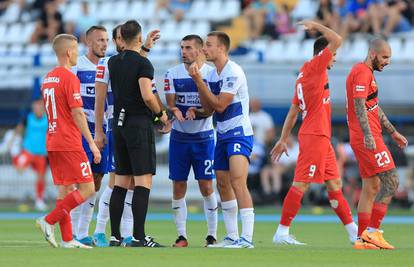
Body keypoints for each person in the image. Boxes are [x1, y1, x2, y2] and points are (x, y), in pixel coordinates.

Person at [270, 21, 358, 245]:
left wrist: (282, 139)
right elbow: (337, 39)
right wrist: (317, 25)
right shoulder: (315, 67)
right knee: (301, 183)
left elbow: (293, 111)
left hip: (321, 137)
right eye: (334, 54)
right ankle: (281, 232)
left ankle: (353, 233)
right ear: (323, 53)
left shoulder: (304, 74)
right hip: (314, 136)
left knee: (334, 184)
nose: (335, 58)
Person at [93, 24, 162, 247]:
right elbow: (147, 95)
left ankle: (115, 236)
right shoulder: (143, 63)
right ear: (139, 37)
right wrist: (161, 114)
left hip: (118, 125)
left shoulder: (112, 62)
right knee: (143, 182)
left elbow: (128, 63)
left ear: (121, 37)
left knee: (121, 182)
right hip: (138, 124)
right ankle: (138, 237)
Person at [189, 31, 255, 248]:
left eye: (208, 45)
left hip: (239, 133)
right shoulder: (211, 75)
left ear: (221, 48)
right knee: (223, 184)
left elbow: (220, 105)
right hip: (223, 134)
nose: (204, 49)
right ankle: (232, 236)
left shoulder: (233, 71)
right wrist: (195, 106)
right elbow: (208, 109)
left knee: (237, 181)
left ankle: (247, 238)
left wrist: (199, 81)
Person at [36, 33, 101, 249]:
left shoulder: (47, 78)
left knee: (65, 190)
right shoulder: (70, 77)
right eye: (75, 49)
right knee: (88, 188)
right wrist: (91, 143)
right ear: (68, 52)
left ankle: (67, 239)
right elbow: (77, 113)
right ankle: (48, 220)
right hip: (69, 140)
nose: (77, 53)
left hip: (53, 139)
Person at [346, 37, 408, 250]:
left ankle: (363, 240)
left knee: (371, 187)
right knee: (392, 180)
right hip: (367, 138)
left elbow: (373, 107)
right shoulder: (362, 73)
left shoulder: (365, 73)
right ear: (373, 54)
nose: (387, 61)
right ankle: (372, 232)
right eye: (384, 57)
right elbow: (359, 105)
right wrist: (368, 135)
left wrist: (393, 132)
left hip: (368, 136)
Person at [164, 34, 218, 247]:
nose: (183, 51)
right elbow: (171, 103)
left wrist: (199, 112)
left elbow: (212, 108)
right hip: (179, 138)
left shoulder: (211, 75)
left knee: (206, 187)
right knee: (178, 186)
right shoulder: (172, 73)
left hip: (204, 139)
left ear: (199, 50)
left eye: (188, 48)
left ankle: (212, 235)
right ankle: (181, 236)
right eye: (182, 48)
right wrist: (173, 112)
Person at [69, 25, 108, 246]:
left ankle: (83, 231)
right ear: (88, 42)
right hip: (82, 132)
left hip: (103, 132)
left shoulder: (109, 65)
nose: (104, 44)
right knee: (81, 181)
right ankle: (75, 230)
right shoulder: (76, 68)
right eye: (99, 40)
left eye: (106, 40)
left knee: (96, 181)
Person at [10, 99, 48, 211]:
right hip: (28, 151)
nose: (38, 109)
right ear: (33, 108)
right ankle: (21, 194)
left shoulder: (47, 119)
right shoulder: (28, 118)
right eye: (36, 107)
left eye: (40, 107)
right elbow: (19, 129)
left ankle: (39, 200)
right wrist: (12, 141)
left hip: (41, 153)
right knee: (19, 167)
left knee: (41, 177)